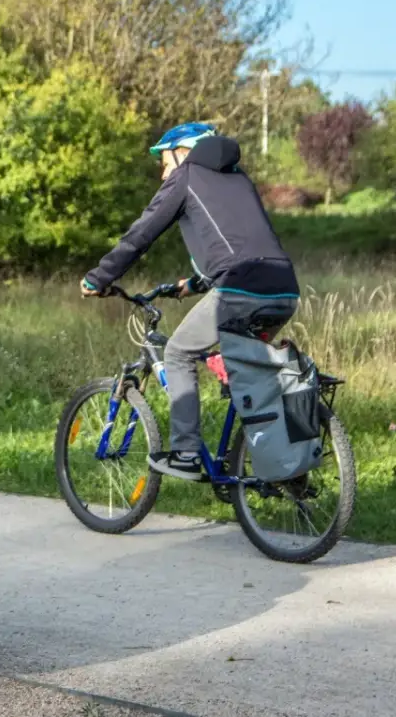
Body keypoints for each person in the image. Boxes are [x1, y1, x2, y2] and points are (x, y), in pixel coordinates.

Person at [79, 122, 300, 480]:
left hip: (240, 290)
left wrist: (99, 277)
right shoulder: (238, 179)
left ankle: (185, 454)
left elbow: (140, 235)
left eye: (165, 162)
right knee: (244, 371)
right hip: (283, 289)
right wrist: (196, 283)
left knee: (178, 353)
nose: (163, 172)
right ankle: (271, 462)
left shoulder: (186, 176)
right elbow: (240, 245)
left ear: (183, 152)